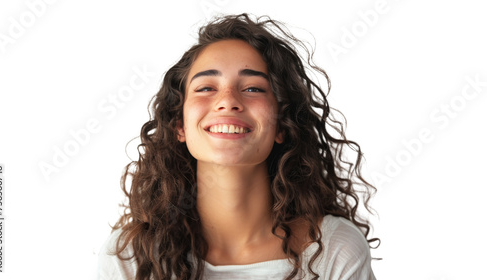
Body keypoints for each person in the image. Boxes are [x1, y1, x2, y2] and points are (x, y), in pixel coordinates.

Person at [98, 13, 379, 280]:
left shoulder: (334, 249)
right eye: (206, 88)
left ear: (282, 125)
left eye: (253, 88)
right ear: (179, 125)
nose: (228, 100)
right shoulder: (131, 254)